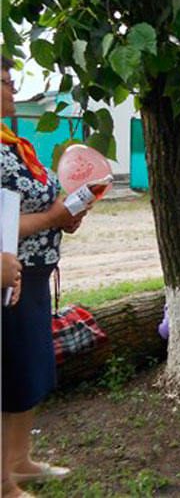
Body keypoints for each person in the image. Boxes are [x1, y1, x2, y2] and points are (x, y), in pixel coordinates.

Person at [2, 56, 86, 498]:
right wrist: (53, 215)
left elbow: (37, 202)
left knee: (30, 370)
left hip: (33, 273)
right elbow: (2, 221)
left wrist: (64, 217)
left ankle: (19, 460)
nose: (12, 91)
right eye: (4, 83)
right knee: (10, 373)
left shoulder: (15, 143)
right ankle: (2, 481)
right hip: (6, 279)